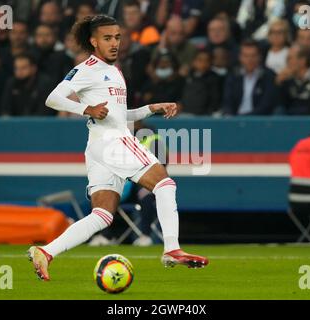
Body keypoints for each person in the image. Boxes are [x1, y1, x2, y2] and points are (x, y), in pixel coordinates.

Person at [28, 15, 208, 281]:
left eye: (117, 37)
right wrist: (85, 108)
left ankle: (46, 251)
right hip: (113, 141)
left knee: (102, 215)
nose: (114, 43)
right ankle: (172, 249)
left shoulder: (114, 70)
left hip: (100, 146)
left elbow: (120, 114)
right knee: (165, 184)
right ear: (93, 41)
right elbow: (52, 98)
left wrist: (151, 108)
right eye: (107, 38)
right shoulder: (88, 68)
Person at [222, 39, 277, 116]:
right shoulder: (233, 75)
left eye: (253, 56)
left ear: (259, 57)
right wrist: (229, 115)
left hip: (258, 121)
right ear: (240, 57)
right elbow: (227, 101)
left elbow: (266, 105)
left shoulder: (268, 76)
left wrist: (244, 119)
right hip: (234, 121)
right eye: (246, 56)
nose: (249, 60)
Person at [278, 44, 310, 115]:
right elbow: (282, 105)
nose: (287, 62)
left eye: (289, 58)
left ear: (303, 60)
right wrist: (279, 85)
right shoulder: (286, 80)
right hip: (291, 119)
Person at [179, 50, 222, 115]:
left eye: (206, 61)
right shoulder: (188, 75)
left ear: (211, 63)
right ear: (193, 62)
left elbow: (214, 100)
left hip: (204, 115)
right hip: (184, 113)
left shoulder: (214, 78)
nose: (203, 63)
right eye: (200, 60)